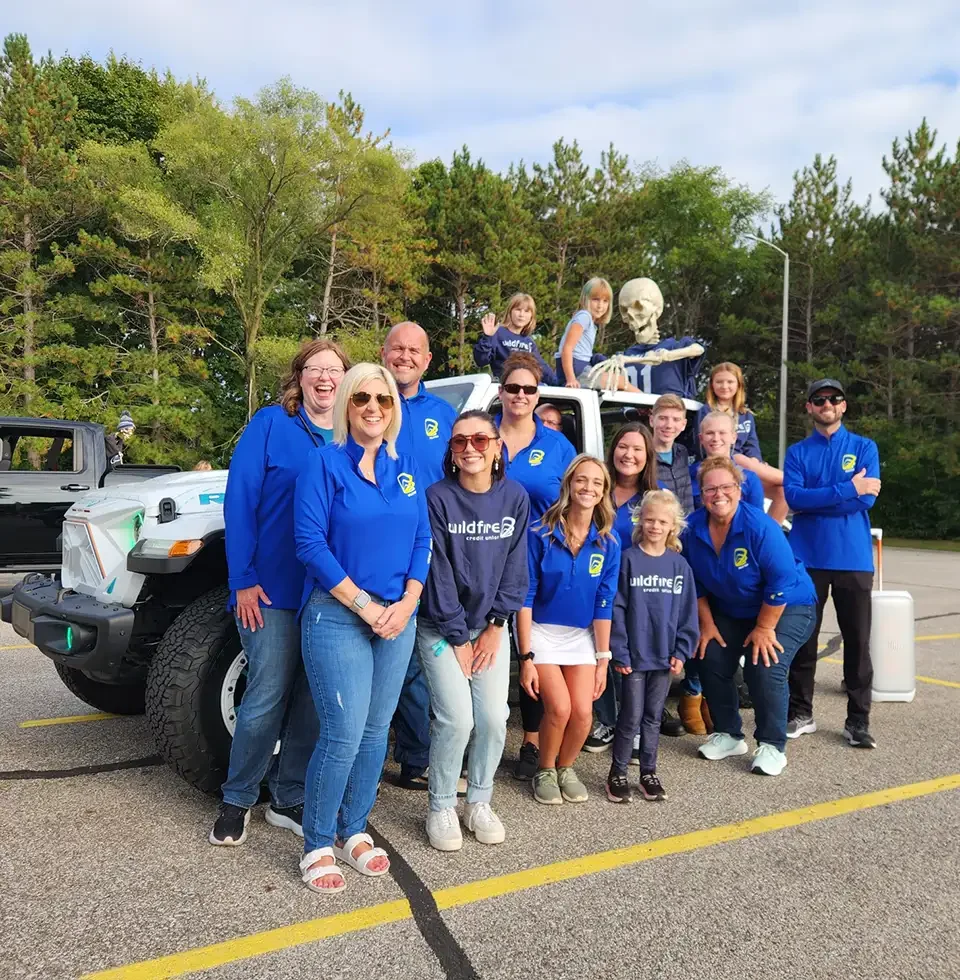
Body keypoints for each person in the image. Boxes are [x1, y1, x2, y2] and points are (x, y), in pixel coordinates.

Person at [294, 363, 431, 894]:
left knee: (377, 732)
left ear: (394, 409)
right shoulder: (324, 464)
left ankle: (353, 830)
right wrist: (366, 607)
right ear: (347, 405)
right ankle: (318, 842)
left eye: (384, 400)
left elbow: (423, 539)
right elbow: (310, 545)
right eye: (363, 399)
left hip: (399, 614)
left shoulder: (405, 465)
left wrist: (408, 601)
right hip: (338, 615)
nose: (374, 407)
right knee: (344, 733)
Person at [211, 339, 350, 847]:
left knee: (313, 700)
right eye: (315, 369)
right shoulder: (271, 424)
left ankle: (287, 795)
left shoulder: (352, 435)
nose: (325, 379)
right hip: (268, 590)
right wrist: (242, 579)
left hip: (330, 594)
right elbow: (240, 502)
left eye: (334, 370)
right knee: (266, 695)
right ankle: (238, 797)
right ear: (300, 376)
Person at [416, 411, 530, 851]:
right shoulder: (436, 497)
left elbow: (516, 566)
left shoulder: (515, 497)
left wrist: (497, 625)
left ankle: (479, 800)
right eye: (461, 441)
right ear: (451, 450)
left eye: (480, 441)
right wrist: (458, 636)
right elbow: (437, 572)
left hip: (490, 628)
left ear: (497, 448)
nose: (470, 449)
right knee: (457, 719)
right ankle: (442, 805)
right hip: (442, 628)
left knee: (493, 718)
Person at [681, 457, 817, 776]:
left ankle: (772, 745)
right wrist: (707, 624)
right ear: (701, 494)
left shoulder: (759, 526)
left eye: (726, 487)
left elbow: (781, 581)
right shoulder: (692, 529)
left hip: (787, 605)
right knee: (709, 654)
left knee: (763, 663)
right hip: (735, 608)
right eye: (710, 488)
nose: (719, 494)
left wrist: (764, 627)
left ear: (739, 490)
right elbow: (695, 582)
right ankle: (729, 735)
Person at [784, 379, 882, 749]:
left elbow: (866, 501)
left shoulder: (863, 447)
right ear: (809, 407)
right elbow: (793, 497)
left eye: (833, 399)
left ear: (843, 406)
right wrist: (846, 488)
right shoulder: (797, 452)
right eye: (819, 399)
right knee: (803, 639)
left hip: (853, 557)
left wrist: (820, 498)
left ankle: (858, 720)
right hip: (806, 557)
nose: (827, 404)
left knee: (857, 640)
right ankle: (800, 712)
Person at [381, 321, 458, 790]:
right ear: (384, 353)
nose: (405, 356)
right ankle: (405, 750)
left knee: (429, 653)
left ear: (428, 360)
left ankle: (419, 756)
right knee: (397, 653)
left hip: (434, 550)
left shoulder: (444, 414)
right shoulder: (368, 403)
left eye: (415, 350)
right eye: (397, 348)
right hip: (380, 551)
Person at [518, 454, 621, 805]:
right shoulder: (540, 533)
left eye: (596, 482)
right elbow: (526, 596)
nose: (588, 488)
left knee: (584, 713)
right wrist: (526, 656)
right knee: (559, 708)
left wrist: (603, 659)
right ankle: (545, 768)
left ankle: (566, 767)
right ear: (568, 485)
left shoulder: (609, 543)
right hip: (542, 633)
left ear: (604, 491)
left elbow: (604, 603)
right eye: (582, 480)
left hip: (580, 637)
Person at [494, 353, 577, 780]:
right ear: (501, 391)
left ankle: (530, 738)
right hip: (485, 559)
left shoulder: (558, 446)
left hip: (539, 563)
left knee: (533, 650)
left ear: (537, 394)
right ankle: (477, 736)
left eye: (529, 389)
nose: (521, 396)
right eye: (513, 388)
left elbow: (572, 504)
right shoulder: (480, 434)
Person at [607, 490, 698, 803]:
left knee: (653, 716)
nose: (655, 526)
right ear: (640, 521)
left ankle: (648, 771)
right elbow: (616, 608)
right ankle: (618, 771)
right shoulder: (628, 560)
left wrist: (682, 651)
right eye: (649, 520)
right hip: (634, 656)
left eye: (662, 521)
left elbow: (688, 613)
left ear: (673, 525)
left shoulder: (679, 566)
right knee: (630, 716)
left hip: (663, 658)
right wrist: (619, 650)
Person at [583, 422, 660, 754]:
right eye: (623, 446)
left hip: (636, 590)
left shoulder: (654, 498)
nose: (628, 454)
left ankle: (634, 724)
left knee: (631, 658)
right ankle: (606, 720)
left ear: (647, 457)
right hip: (596, 583)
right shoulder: (597, 486)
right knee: (600, 654)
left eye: (637, 449)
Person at [696, 363, 788, 523]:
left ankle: (769, 533)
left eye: (730, 382)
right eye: (719, 382)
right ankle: (803, 481)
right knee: (743, 461)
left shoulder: (745, 415)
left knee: (784, 492)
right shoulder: (706, 410)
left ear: (738, 385)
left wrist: (755, 460)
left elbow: (752, 444)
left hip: (746, 467)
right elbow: (703, 444)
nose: (724, 386)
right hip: (726, 459)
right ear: (711, 385)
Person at [556, 278, 638, 391]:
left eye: (605, 301)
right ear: (585, 299)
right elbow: (567, 348)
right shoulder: (584, 317)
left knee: (618, 378)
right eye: (596, 300)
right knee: (621, 382)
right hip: (577, 372)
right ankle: (651, 405)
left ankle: (643, 407)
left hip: (581, 369)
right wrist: (571, 379)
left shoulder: (590, 322)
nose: (600, 306)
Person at [474, 293, 559, 385]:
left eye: (526, 311)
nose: (521, 315)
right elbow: (481, 360)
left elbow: (542, 368)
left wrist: (561, 384)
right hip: (506, 387)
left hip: (528, 387)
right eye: (518, 310)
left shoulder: (529, 343)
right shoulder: (497, 333)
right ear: (510, 311)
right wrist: (487, 337)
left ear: (531, 316)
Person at [690, 412, 765, 511]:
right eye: (710, 433)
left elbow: (757, 520)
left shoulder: (750, 479)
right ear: (701, 438)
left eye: (722, 433)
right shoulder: (687, 475)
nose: (716, 439)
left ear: (734, 437)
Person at [651, 394, 694, 516]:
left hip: (688, 528)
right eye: (663, 418)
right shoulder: (643, 456)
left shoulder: (682, 452)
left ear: (683, 424)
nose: (669, 425)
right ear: (651, 420)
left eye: (676, 419)